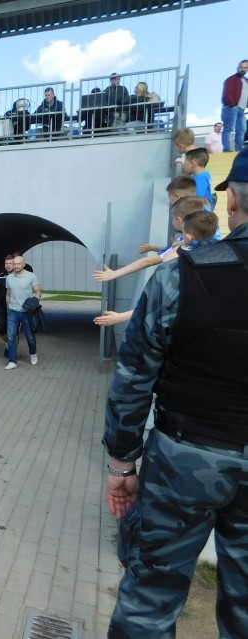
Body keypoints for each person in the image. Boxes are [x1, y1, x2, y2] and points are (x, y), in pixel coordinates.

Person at [102, 147, 248, 638]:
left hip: (184, 462)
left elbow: (133, 377)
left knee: (149, 602)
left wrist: (123, 463)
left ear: (232, 203)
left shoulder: (183, 275)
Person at [94, 209, 219, 327]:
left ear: (190, 237)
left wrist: (119, 317)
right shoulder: (220, 252)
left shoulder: (176, 258)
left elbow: (158, 302)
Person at [138, 175, 197, 253]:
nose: (170, 202)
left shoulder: (192, 220)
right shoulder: (198, 210)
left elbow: (171, 250)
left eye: (170, 198)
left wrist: (185, 243)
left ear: (177, 196)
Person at [4, 255, 41, 369]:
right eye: (14, 264)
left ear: (23, 264)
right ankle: (12, 361)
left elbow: (38, 291)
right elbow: (8, 294)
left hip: (26, 312)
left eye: (18, 264)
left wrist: (33, 304)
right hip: (13, 312)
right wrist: (8, 307)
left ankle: (33, 353)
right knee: (11, 336)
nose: (16, 266)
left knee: (30, 337)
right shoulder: (9, 278)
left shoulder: (31, 276)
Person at [220, 59, 248, 152]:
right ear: (237, 68)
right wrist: (233, 105)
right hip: (231, 108)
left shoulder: (246, 81)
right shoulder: (230, 79)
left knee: (242, 129)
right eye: (241, 67)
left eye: (245, 68)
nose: (242, 69)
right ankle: (226, 149)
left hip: (242, 109)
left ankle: (239, 150)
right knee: (229, 128)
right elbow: (227, 93)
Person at [0, 255, 14, 345]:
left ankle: (11, 349)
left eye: (10, 263)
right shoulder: (0, 277)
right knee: (1, 330)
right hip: (2, 307)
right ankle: (7, 344)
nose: (8, 265)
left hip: (15, 307)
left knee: (14, 331)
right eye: (6, 263)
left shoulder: (18, 276)